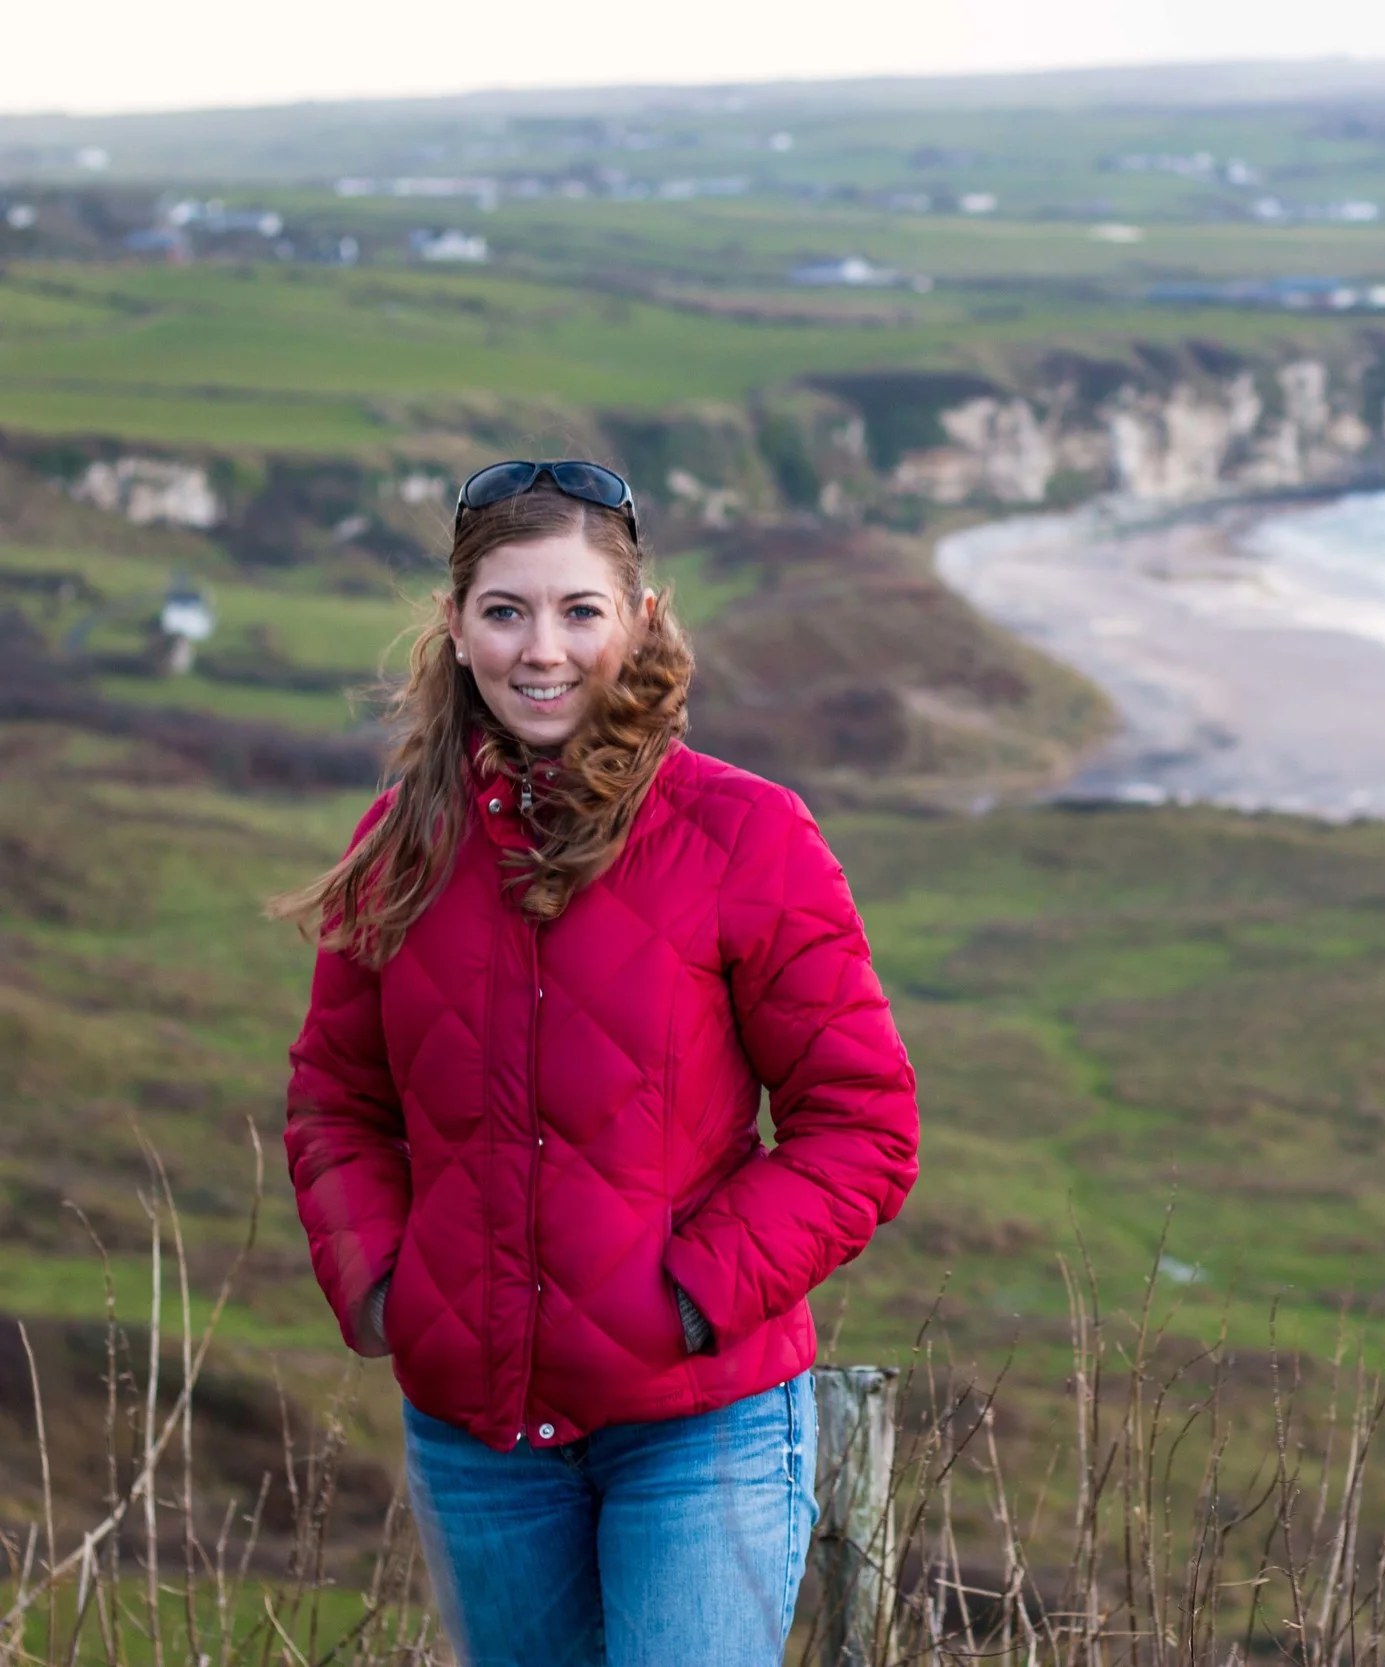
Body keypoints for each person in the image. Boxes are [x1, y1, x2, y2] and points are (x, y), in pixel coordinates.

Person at [273, 460, 920, 1667]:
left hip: (699, 1425)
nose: (542, 650)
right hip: (476, 1434)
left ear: (640, 617)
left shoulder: (747, 833)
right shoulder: (400, 839)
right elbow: (336, 1097)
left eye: (580, 610)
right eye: (506, 611)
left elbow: (861, 1125)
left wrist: (689, 1296)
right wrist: (386, 1286)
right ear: (457, 628)